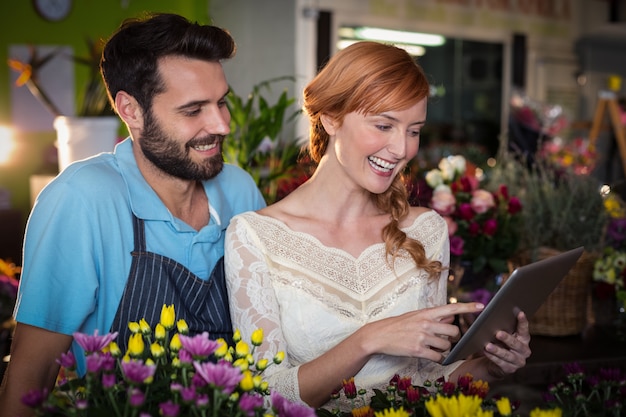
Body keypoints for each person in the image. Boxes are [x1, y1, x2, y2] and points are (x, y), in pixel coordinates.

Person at [224, 41, 531, 410]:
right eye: (384, 125)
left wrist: (490, 367)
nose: (401, 148)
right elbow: (263, 399)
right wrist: (368, 339)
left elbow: (424, 381)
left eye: (414, 130)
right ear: (331, 118)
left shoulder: (426, 231)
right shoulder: (255, 237)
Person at [0, 13, 265, 417]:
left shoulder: (240, 189)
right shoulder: (82, 199)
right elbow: (28, 383)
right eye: (194, 110)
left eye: (222, 102)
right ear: (131, 110)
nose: (222, 124)